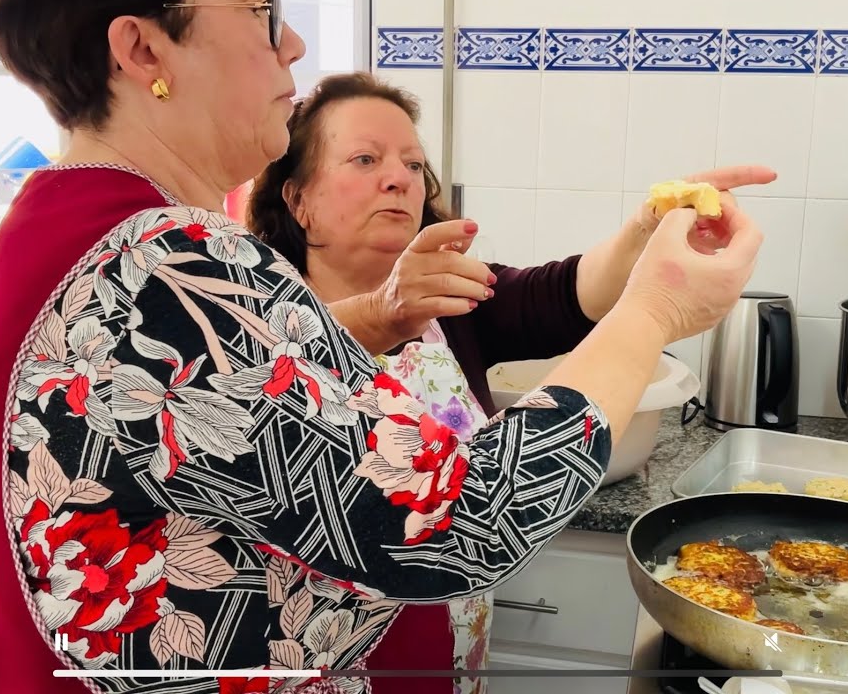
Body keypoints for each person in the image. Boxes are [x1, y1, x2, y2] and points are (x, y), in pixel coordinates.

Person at [0, 0, 764, 694]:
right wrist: (653, 313)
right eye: (263, 8)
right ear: (144, 50)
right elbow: (458, 524)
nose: (292, 42)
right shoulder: (165, 262)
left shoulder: (58, 235)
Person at [245, 71, 776, 691]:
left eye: (413, 165)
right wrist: (657, 307)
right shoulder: (254, 326)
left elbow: (569, 293)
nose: (398, 178)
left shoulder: (456, 300)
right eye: (365, 159)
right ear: (298, 199)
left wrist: (647, 230)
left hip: (453, 644)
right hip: (322, 662)